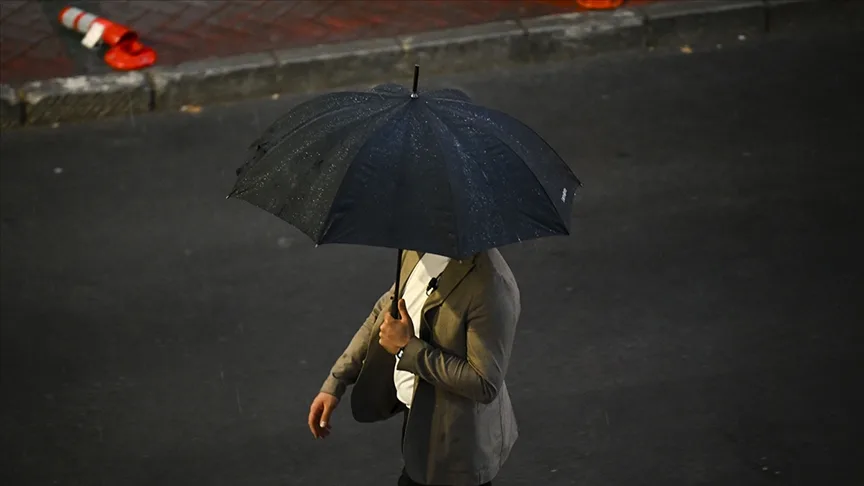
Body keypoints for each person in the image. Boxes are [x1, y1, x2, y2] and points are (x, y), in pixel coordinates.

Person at [308, 249, 521, 486]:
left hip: (457, 442)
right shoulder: (415, 249)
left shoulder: (490, 285)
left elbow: (484, 382)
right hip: (419, 415)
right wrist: (336, 381)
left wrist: (407, 348)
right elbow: (385, 310)